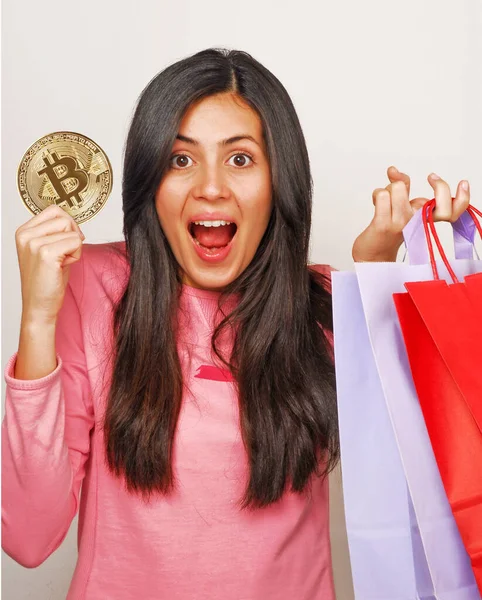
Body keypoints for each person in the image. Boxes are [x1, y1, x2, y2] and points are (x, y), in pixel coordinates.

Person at [2, 48, 470, 600]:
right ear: (149, 181)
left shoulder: (324, 305)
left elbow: (432, 491)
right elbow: (28, 541)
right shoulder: (94, 286)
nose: (211, 188)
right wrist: (36, 317)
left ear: (279, 180)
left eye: (240, 159)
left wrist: (383, 282)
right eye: (181, 160)